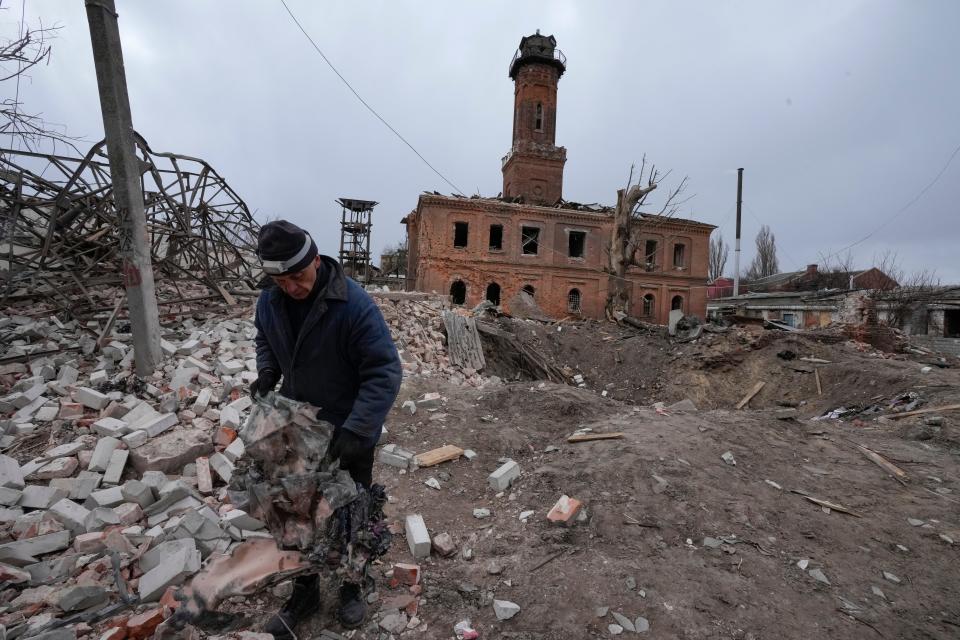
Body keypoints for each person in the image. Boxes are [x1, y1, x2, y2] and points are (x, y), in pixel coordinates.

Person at [251, 220, 401, 635]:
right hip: (297, 423)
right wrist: (267, 370)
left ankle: (352, 585)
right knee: (294, 512)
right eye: (281, 280)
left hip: (349, 427)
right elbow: (264, 337)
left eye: (298, 276)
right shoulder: (270, 301)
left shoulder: (353, 305)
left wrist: (356, 431)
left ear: (316, 260)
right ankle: (304, 590)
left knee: (354, 510)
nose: (292, 287)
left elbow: (384, 371)